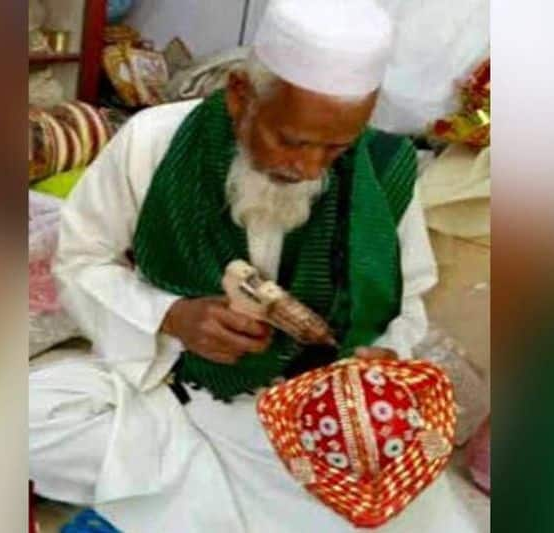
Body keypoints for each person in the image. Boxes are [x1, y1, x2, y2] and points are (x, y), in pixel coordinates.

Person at [30, 0, 477, 531]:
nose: (308, 168)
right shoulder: (154, 140)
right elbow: (82, 260)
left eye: (336, 148)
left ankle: (195, 501)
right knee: (18, 418)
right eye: (292, 141)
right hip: (173, 388)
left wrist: (378, 360)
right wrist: (171, 315)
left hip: (312, 427)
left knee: (416, 511)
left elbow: (406, 302)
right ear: (241, 96)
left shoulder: (382, 171)